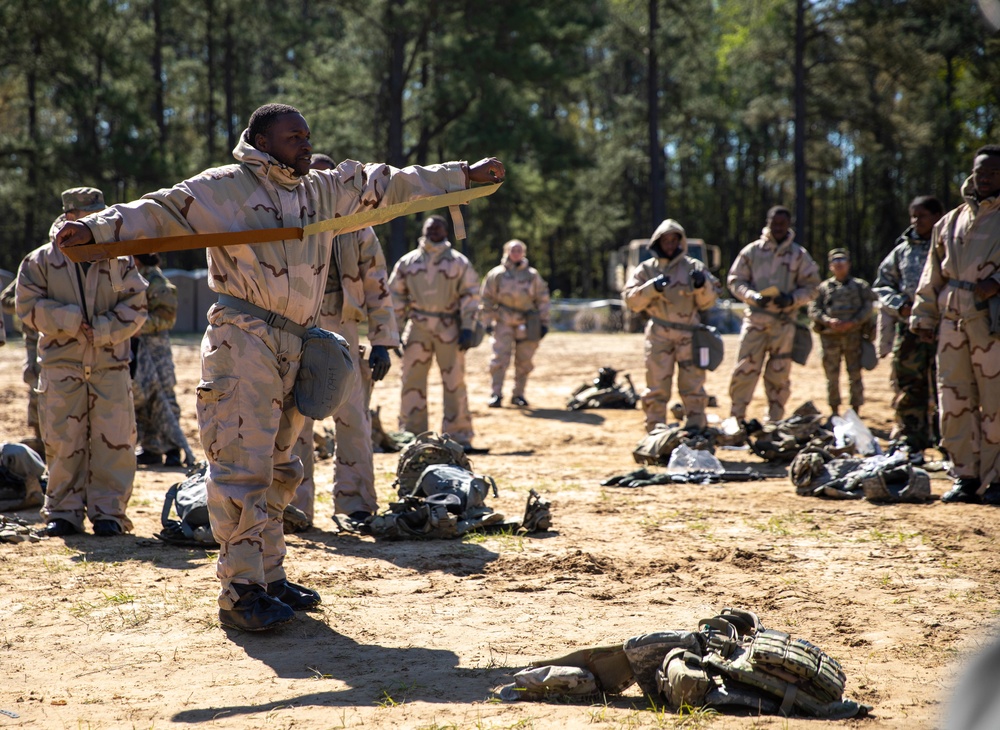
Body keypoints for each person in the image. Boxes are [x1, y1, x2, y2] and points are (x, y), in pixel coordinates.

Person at [55, 102, 505, 631]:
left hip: (300, 343)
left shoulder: (319, 189)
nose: (306, 145)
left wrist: (462, 177)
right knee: (242, 467)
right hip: (242, 341)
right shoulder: (222, 189)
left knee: (281, 467)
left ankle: (269, 575)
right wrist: (95, 229)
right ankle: (241, 591)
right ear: (262, 142)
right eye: (294, 137)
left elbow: (391, 183)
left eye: (308, 136)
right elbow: (156, 210)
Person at [16, 187, 148, 537]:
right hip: (63, 367)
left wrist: (102, 329)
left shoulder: (119, 258)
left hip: (110, 365)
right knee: (63, 441)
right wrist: (71, 320)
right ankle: (63, 512)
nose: (94, 220)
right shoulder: (40, 261)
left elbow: (137, 307)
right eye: (87, 214)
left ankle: (109, 513)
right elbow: (26, 308)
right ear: (68, 216)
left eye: (99, 214)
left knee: (116, 442)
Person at [291, 153, 399, 533]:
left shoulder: (359, 226)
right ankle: (293, 507)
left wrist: (383, 341)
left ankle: (355, 504)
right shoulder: (288, 221)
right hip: (295, 329)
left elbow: (378, 284)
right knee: (293, 424)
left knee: (353, 420)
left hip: (344, 329)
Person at [911, 145, 1000, 504]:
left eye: (993, 172)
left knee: (995, 401)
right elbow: (932, 273)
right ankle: (966, 476)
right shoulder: (949, 221)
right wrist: (923, 315)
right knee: (954, 400)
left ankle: (996, 480)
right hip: (952, 323)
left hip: (991, 321)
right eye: (980, 171)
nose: (984, 177)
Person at [389, 215, 481, 450]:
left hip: (449, 326)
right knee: (412, 381)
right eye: (430, 228)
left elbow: (471, 295)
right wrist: (394, 332)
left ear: (446, 232)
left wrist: (468, 327)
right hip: (417, 327)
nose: (434, 232)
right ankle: (412, 435)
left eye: (438, 228)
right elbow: (395, 297)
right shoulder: (408, 262)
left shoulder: (458, 262)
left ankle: (458, 436)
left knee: (454, 382)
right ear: (423, 231)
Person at [622, 219, 720, 432]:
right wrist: (651, 288)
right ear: (658, 241)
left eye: (673, 240)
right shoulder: (646, 269)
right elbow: (631, 302)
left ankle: (695, 430)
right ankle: (655, 431)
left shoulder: (695, 267)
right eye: (665, 240)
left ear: (680, 242)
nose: (669, 244)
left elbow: (709, 303)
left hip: (689, 335)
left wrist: (702, 286)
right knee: (656, 387)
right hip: (659, 334)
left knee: (693, 387)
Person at [728, 206, 820, 423]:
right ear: (767, 222)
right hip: (755, 321)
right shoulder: (752, 251)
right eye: (774, 223)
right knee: (745, 371)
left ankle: (775, 422)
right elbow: (735, 280)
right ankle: (736, 420)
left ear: (789, 225)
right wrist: (752, 296)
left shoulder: (799, 255)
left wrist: (792, 299)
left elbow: (813, 286)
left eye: (782, 223)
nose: (778, 227)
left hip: (784, 324)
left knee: (779, 374)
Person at [873, 196, 944, 462]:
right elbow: (882, 283)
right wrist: (901, 306)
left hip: (945, 328)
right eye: (913, 216)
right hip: (910, 330)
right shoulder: (902, 251)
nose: (915, 221)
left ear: (938, 216)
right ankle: (912, 440)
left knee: (946, 386)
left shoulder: (951, 245)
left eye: (922, 216)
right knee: (909, 385)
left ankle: (946, 441)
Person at [480, 239, 550, 408]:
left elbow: (542, 299)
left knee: (524, 360)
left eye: (519, 250)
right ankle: (496, 394)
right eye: (513, 250)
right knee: (499, 359)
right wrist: (487, 321)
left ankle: (518, 394)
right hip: (503, 321)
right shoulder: (497, 274)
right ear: (506, 252)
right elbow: (486, 299)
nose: (516, 253)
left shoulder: (532, 275)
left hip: (527, 322)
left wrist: (544, 322)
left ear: (524, 253)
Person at [132, 253, 185, 467]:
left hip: (156, 350)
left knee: (164, 395)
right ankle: (150, 448)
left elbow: (166, 317)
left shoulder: (155, 281)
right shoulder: (131, 277)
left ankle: (173, 449)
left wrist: (134, 325)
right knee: (141, 398)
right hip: (137, 348)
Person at [808, 249, 876, 417]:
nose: (839, 267)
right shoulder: (823, 288)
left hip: (854, 337)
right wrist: (828, 321)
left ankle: (855, 410)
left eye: (842, 264)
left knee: (855, 375)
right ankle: (834, 411)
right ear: (831, 267)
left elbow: (868, 307)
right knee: (832, 376)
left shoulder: (860, 286)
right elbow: (813, 309)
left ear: (848, 265)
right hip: (830, 338)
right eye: (836, 264)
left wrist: (853, 322)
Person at [1, 271, 44, 457]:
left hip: (65, 340)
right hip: (35, 342)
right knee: (35, 387)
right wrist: (30, 305)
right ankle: (40, 438)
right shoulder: (34, 266)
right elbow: (5, 300)